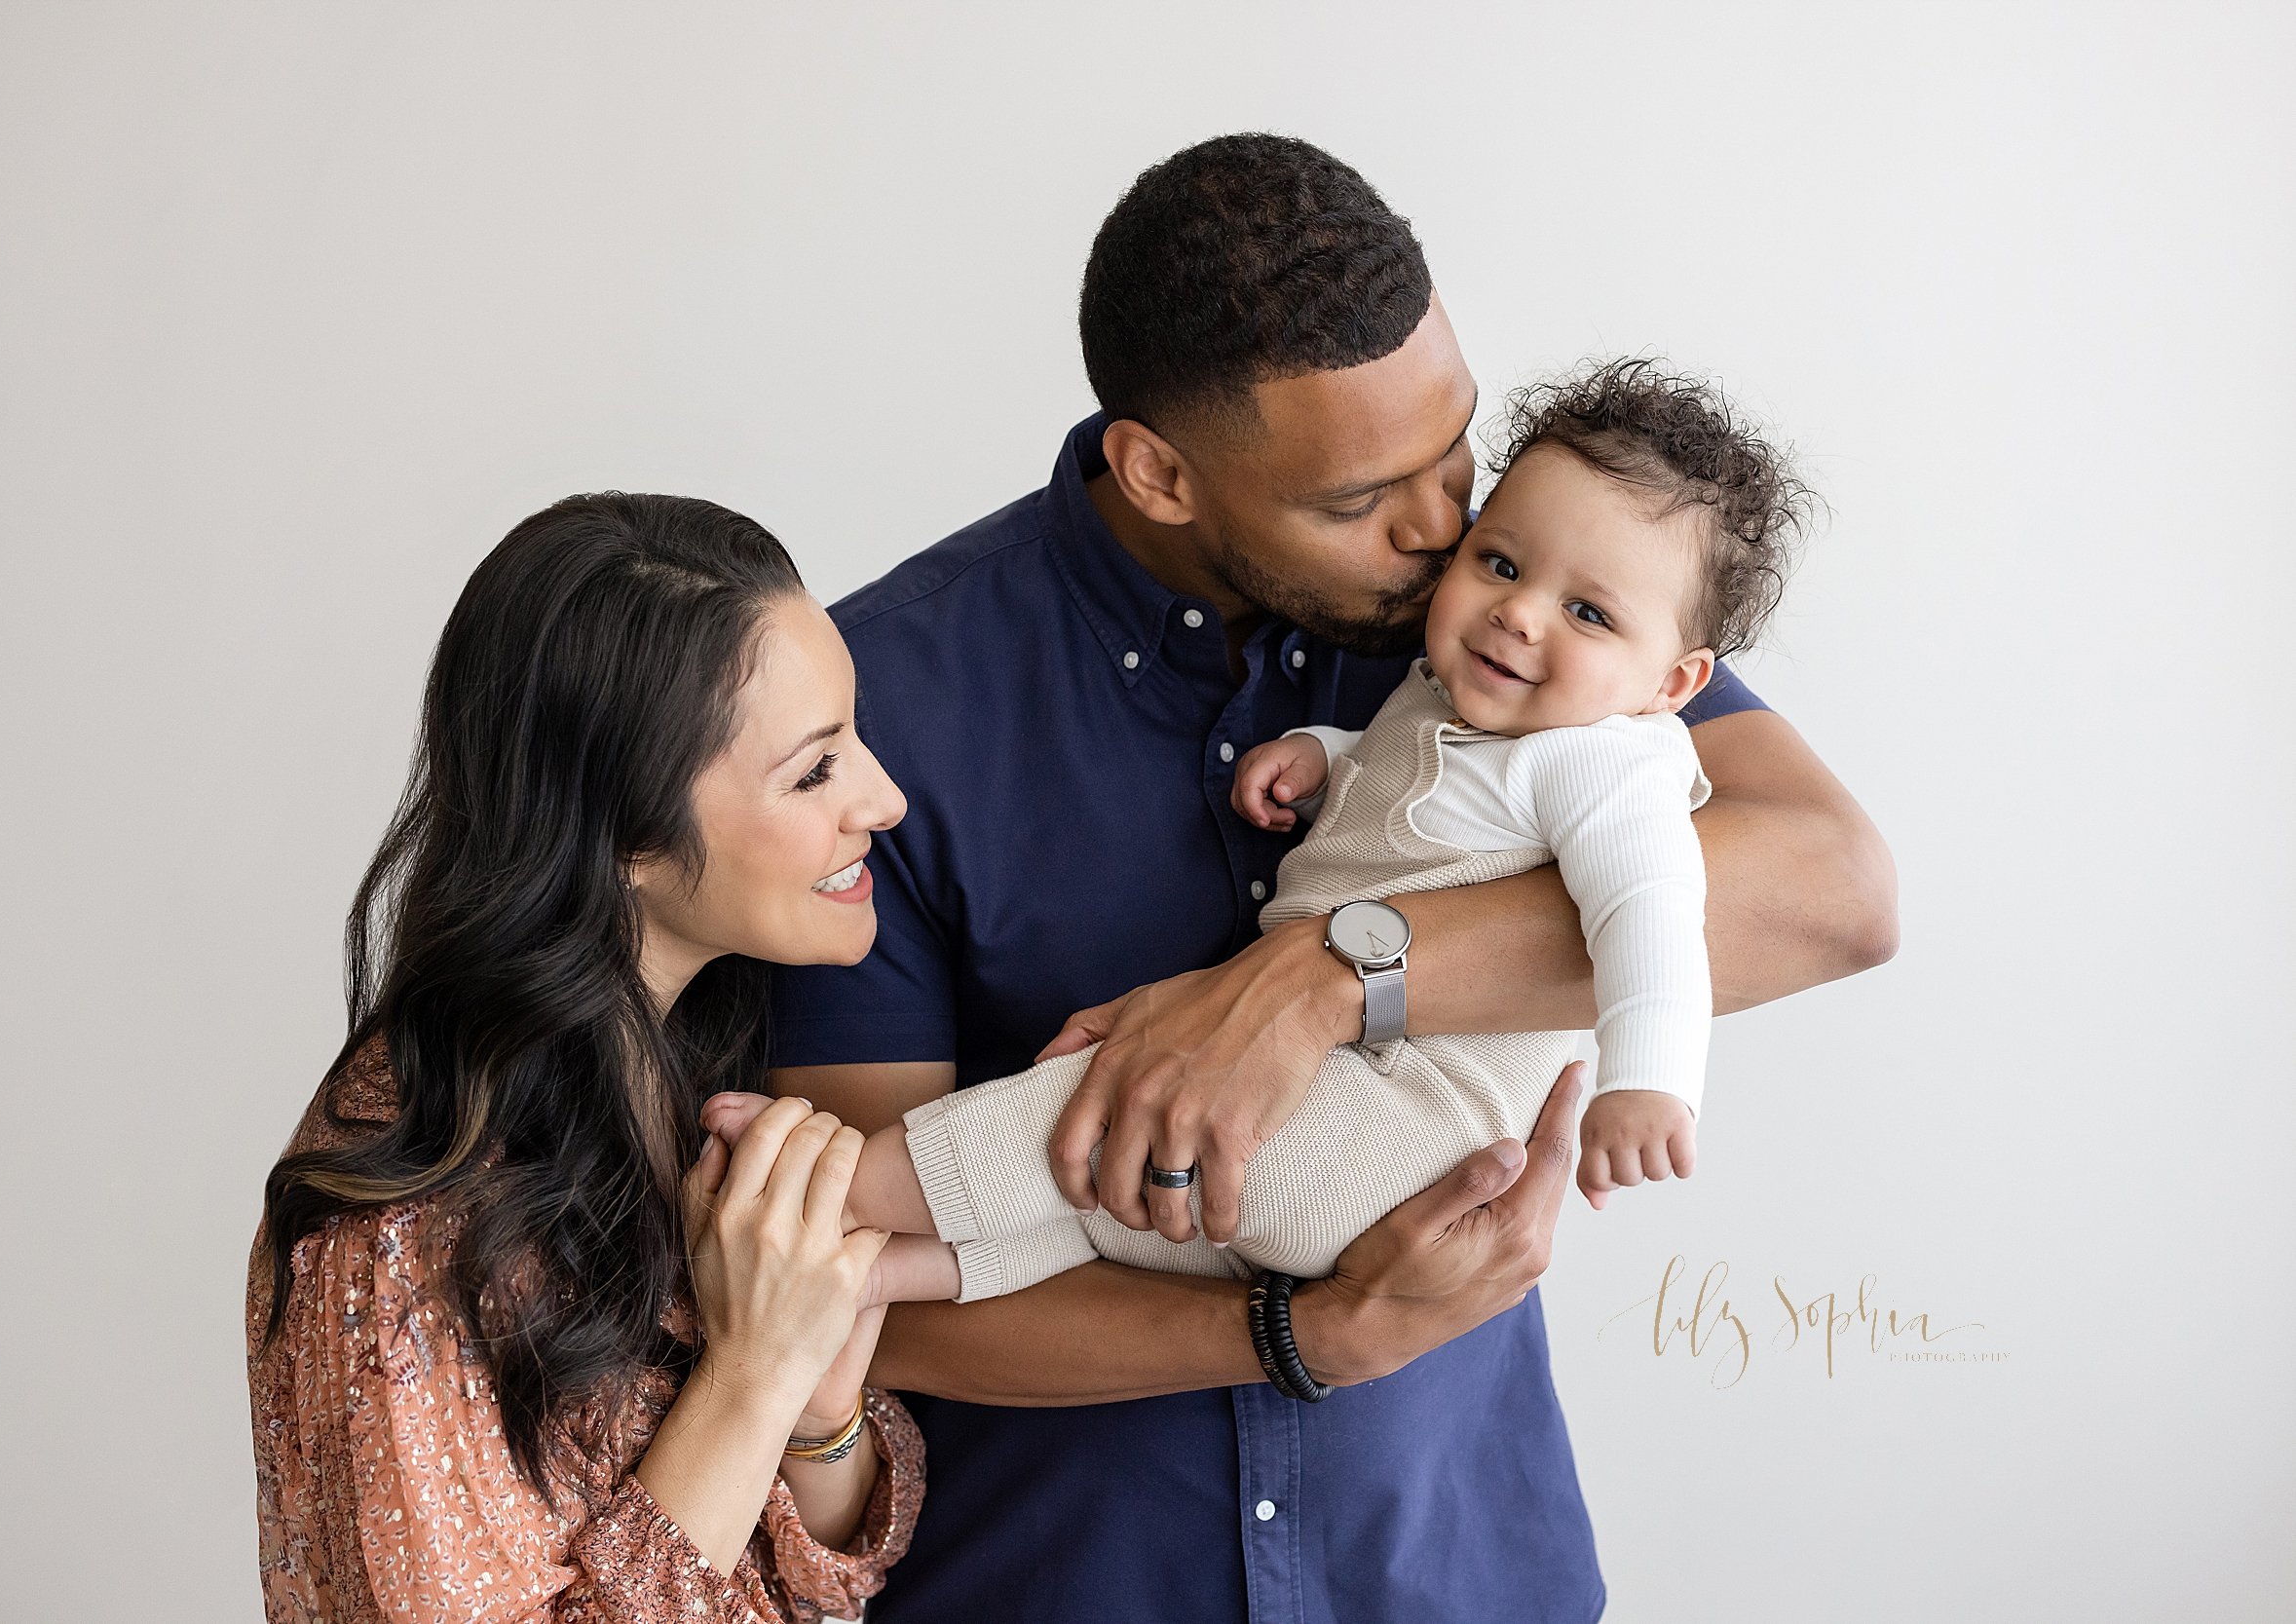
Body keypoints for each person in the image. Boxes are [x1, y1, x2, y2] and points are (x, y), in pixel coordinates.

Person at [765, 135, 1897, 1621]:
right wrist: (1302, 1331)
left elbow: (1831, 890)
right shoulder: (881, 706)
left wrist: (1323, 975)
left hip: (1456, 1569)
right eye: (1369, 496)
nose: (1442, 533)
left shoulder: (1535, 603)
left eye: (1457, 453)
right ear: (1160, 471)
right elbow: (851, 1295)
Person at [710, 356, 1805, 1300]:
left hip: (1401, 1123)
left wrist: (1649, 1080)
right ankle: (897, 1269)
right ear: (1162, 474)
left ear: (1676, 681)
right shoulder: (1467, 687)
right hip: (1336, 1130)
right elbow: (1425, 785)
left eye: (1587, 611)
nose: (1514, 607)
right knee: (1114, 1198)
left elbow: (1654, 905)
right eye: (1503, 564)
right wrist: (1327, 757)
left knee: (1090, 1115)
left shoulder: (1603, 758)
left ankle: (842, 1189)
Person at [246, 494, 930, 1623]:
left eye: (853, 738)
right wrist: (750, 1371)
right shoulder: (398, 1229)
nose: (885, 799)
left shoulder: (689, 1069)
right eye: (813, 771)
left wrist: (818, 1406)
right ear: (624, 837)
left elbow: (814, 1573)